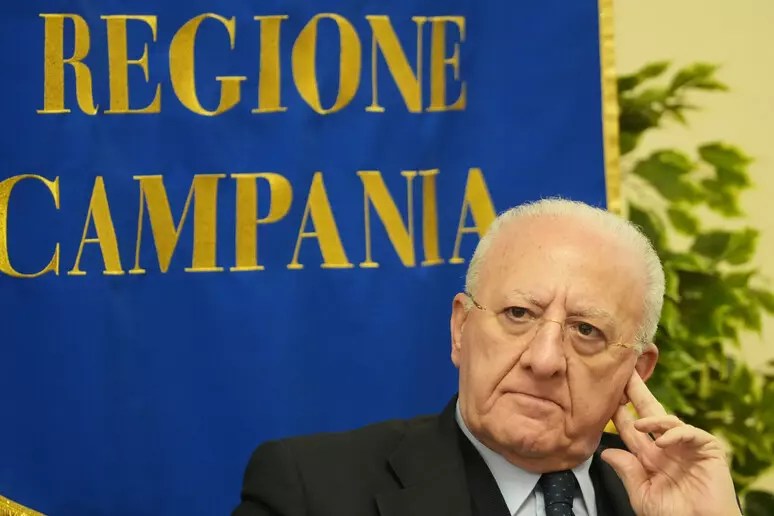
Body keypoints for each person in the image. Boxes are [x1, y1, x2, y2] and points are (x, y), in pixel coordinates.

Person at [233, 198, 740, 516]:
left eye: (586, 330)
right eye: (519, 313)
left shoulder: (669, 501)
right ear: (461, 328)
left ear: (637, 370)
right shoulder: (309, 491)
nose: (544, 360)